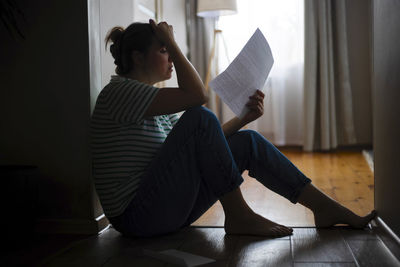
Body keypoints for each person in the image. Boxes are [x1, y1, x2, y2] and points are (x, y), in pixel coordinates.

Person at [91, 19, 376, 238]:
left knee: (247, 140)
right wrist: (173, 43)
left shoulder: (153, 103)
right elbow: (197, 98)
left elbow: (202, 145)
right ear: (138, 58)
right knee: (199, 116)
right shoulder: (119, 93)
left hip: (162, 208)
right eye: (164, 51)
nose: (170, 59)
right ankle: (239, 215)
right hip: (138, 218)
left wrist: (244, 118)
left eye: (169, 51)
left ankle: (323, 207)